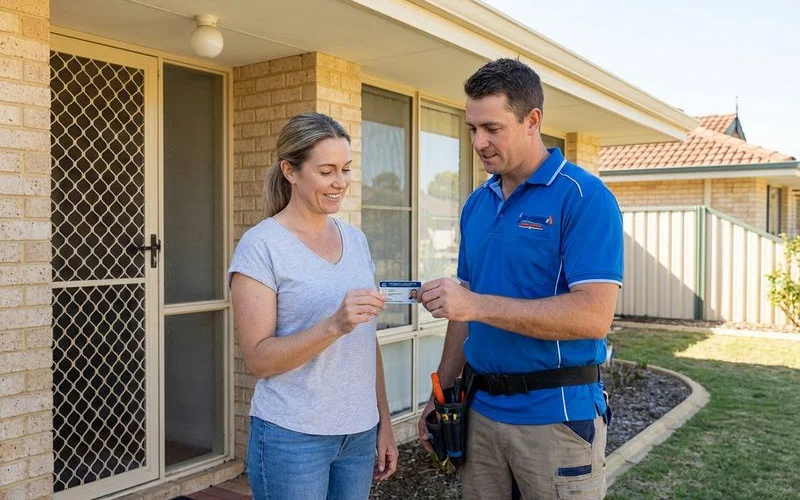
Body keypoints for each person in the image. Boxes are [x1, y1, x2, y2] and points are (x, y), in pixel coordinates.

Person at [417, 58, 622, 500]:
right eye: (472, 128)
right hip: (482, 415)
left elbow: (593, 316)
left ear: (533, 121)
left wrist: (473, 305)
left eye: (492, 128)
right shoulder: (477, 203)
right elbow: (463, 304)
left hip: (556, 419)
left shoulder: (585, 198)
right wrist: (443, 388)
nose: (478, 142)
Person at [229, 113, 398, 500]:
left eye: (346, 169)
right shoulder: (261, 246)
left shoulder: (355, 241)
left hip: (358, 434)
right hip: (293, 437)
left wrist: (383, 421)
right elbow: (259, 360)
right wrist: (333, 325)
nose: (340, 182)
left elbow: (366, 342)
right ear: (290, 170)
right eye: (326, 171)